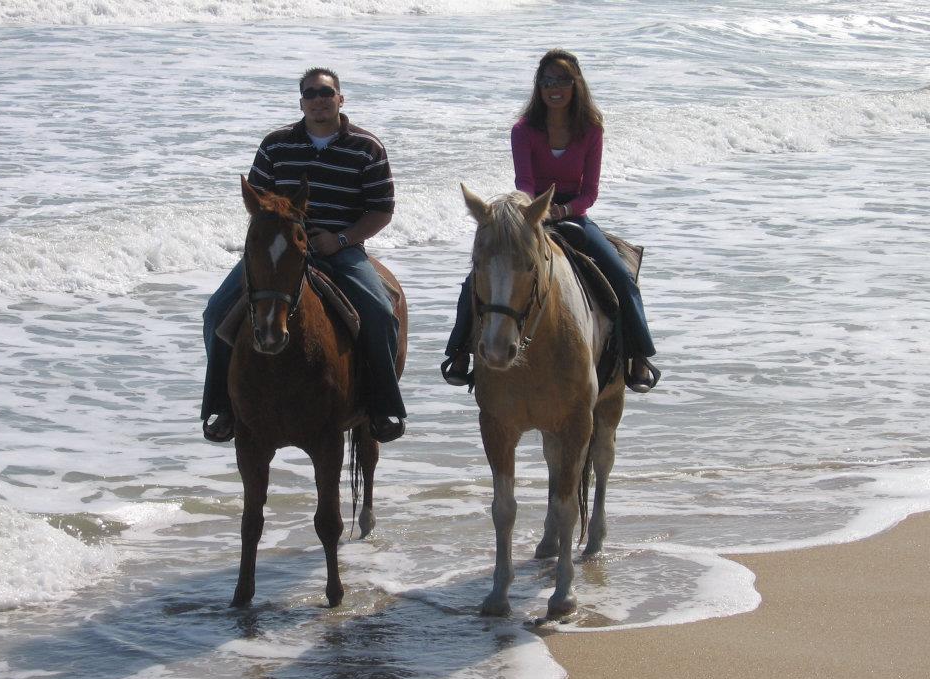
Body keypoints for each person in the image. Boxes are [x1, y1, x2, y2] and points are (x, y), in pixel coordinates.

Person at [202, 67, 406, 443]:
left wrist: (341, 240)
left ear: (340, 99)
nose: (318, 100)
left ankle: (382, 406)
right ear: (301, 102)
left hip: (338, 250)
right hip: (280, 252)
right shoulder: (276, 144)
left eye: (325, 93)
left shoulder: (367, 148)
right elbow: (259, 202)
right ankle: (221, 406)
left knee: (380, 312)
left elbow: (381, 210)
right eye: (310, 94)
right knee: (216, 311)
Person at [442, 49, 660, 392]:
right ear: (538, 87)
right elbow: (524, 182)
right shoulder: (524, 130)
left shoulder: (591, 130)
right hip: (530, 214)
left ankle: (638, 356)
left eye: (561, 81)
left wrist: (565, 211)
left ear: (576, 85)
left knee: (621, 276)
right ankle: (458, 353)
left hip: (574, 215)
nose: (553, 88)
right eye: (546, 81)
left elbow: (589, 192)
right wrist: (533, 211)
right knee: (478, 277)